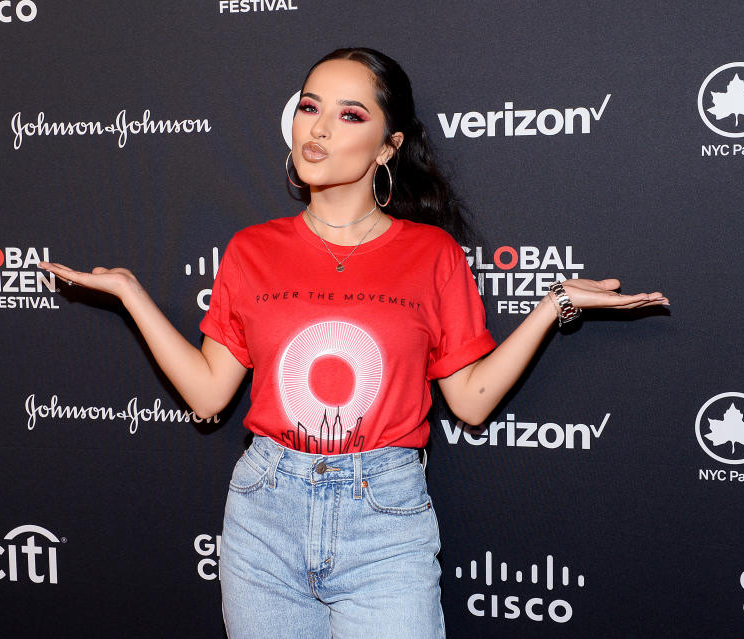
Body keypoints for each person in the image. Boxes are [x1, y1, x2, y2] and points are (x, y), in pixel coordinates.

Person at [40, 47, 667, 639]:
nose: (319, 129)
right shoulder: (251, 250)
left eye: (350, 115)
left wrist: (553, 306)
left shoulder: (431, 254)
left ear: (388, 146)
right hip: (264, 513)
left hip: (385, 520)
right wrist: (131, 294)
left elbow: (471, 401)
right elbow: (208, 396)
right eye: (309, 107)